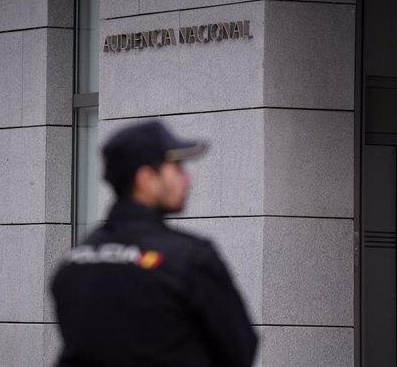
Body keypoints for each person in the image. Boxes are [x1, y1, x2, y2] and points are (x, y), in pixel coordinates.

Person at [51, 120, 257, 367]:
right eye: (177, 168)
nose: (187, 179)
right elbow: (239, 350)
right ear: (146, 178)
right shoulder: (191, 259)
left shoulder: (73, 263)